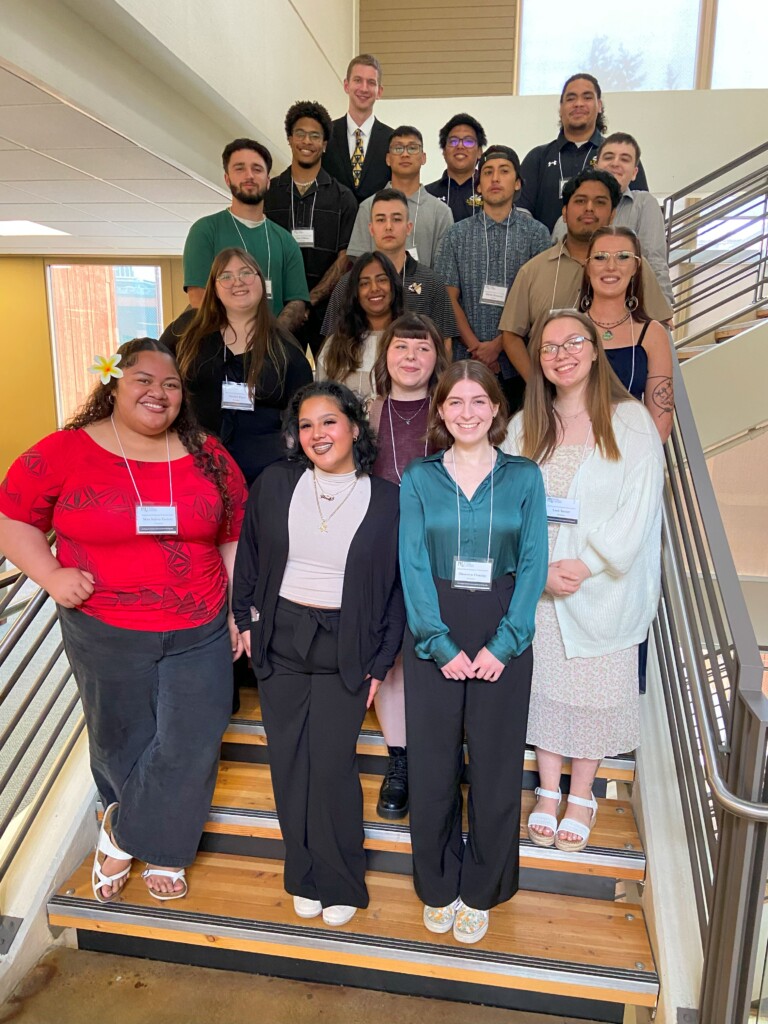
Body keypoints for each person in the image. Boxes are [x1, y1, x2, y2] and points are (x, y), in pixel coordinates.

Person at [0, 338, 248, 903]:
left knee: (195, 735)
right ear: (113, 384)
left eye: (171, 385)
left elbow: (234, 534)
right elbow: (12, 516)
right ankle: (158, 843)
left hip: (200, 621)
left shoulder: (207, 453)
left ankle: (123, 832)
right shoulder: (65, 450)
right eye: (143, 380)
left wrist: (238, 609)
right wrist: (50, 574)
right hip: (104, 625)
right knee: (120, 738)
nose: (158, 393)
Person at [232, 380, 404, 926]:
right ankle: (301, 873)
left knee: (330, 766)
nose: (317, 434)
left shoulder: (389, 501)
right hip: (280, 638)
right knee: (288, 763)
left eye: (329, 421)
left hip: (345, 645)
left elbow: (397, 592)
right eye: (306, 425)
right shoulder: (276, 483)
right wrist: (245, 621)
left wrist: (381, 661)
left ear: (354, 427)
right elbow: (249, 558)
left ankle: (341, 880)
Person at [399, 361, 548, 944]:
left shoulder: (524, 476)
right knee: (433, 765)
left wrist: (505, 643)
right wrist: (436, 642)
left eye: (478, 401)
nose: (467, 412)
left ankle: (483, 887)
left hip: (502, 622)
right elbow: (411, 563)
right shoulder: (419, 477)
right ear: (440, 410)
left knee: (495, 765)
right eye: (455, 402)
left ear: (495, 410)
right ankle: (437, 882)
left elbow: (533, 563)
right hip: (433, 622)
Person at [504, 311, 663, 854]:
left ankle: (581, 795)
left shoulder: (630, 420)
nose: (562, 354)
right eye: (548, 348)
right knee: (546, 687)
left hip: (601, 587)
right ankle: (548, 790)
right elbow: (505, 504)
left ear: (595, 349)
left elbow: (640, 506)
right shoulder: (525, 425)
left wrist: (589, 564)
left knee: (591, 694)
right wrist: (536, 570)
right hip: (540, 584)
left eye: (574, 342)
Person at [365, 313, 450, 819]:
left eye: (422, 348)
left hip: (440, 553)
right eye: (401, 347)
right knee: (390, 657)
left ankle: (436, 755)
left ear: (437, 358)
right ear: (386, 356)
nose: (411, 357)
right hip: (381, 550)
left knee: (436, 650)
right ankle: (399, 759)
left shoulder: (453, 410)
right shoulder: (365, 411)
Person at [500, 169, 673, 370]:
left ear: (612, 215)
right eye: (580, 201)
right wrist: (536, 384)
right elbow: (511, 335)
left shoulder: (634, 266)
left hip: (623, 385)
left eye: (600, 202)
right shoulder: (533, 271)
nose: (589, 208)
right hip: (553, 386)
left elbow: (659, 326)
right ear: (564, 213)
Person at [170, 247, 312, 486]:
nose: (237, 282)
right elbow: (154, 370)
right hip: (194, 466)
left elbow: (305, 415)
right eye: (226, 276)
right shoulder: (187, 330)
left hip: (264, 475)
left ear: (261, 282)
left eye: (246, 273)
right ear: (214, 288)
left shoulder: (285, 348)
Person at [435, 146, 551, 414]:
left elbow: (538, 302)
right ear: (478, 186)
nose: (495, 178)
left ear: (518, 183)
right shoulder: (456, 235)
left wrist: (499, 346)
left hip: (520, 363)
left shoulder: (537, 234)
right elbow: (448, 298)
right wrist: (478, 349)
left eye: (504, 171)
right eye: (487, 172)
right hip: (467, 360)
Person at [182, 138, 309, 332]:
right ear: (227, 179)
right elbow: (199, 298)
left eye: (257, 169)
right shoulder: (205, 231)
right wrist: (235, 341)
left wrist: (270, 340)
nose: (249, 176)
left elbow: (297, 302)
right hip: (220, 344)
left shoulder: (286, 241)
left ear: (268, 181)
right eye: (240, 169)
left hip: (272, 345)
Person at [264, 101, 358, 355]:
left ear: (324, 144)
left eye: (315, 136)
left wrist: (308, 300)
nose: (307, 141)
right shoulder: (269, 194)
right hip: (277, 310)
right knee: (277, 374)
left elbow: (345, 258)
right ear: (290, 139)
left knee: (333, 375)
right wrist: (293, 305)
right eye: (300, 134)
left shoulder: (343, 198)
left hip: (329, 312)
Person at [322, 188, 457, 344]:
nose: (388, 226)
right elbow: (331, 343)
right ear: (371, 229)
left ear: (409, 227)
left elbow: (445, 343)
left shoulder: (431, 282)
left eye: (396, 219)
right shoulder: (349, 283)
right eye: (381, 220)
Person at [518, 74, 649, 232]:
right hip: (550, 247)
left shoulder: (621, 158)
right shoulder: (537, 158)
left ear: (599, 105)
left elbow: (640, 214)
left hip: (609, 247)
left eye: (587, 97)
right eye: (571, 98)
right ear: (560, 108)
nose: (578, 104)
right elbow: (521, 216)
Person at [580, 226, 674, 441]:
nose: (611, 266)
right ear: (588, 266)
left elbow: (661, 423)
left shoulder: (652, 333)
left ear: (636, 267)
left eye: (623, 257)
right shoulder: (566, 328)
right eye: (600, 257)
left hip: (632, 451)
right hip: (572, 450)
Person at [346, 126, 453, 268]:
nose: (405, 154)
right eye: (398, 148)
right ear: (388, 159)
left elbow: (444, 269)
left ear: (423, 158)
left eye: (412, 148)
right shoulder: (368, 207)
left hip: (425, 282)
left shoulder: (440, 212)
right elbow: (360, 263)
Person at [316, 251, 404, 403]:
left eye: (381, 280)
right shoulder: (335, 345)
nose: (374, 288)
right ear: (355, 293)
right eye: (364, 283)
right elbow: (322, 401)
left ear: (393, 286)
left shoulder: (413, 339)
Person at [322, 54, 393, 203]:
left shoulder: (392, 140)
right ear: (346, 85)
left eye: (371, 82)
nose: (364, 88)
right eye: (358, 80)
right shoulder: (326, 134)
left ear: (379, 91)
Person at [426, 113, 486, 222]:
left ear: (479, 152)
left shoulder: (490, 192)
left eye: (468, 141)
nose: (460, 146)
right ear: (444, 151)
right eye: (453, 141)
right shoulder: (427, 194)